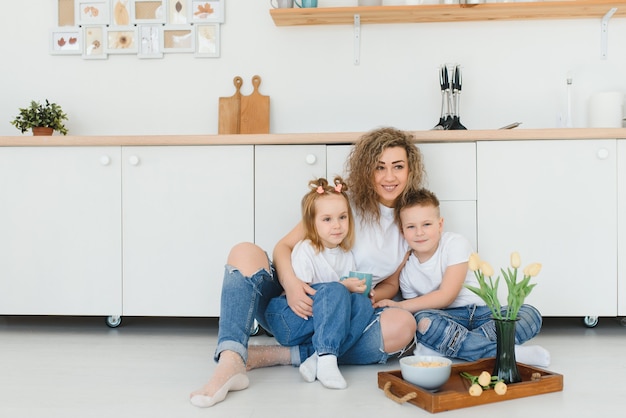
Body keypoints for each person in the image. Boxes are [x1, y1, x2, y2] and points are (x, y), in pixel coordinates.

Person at [190, 127, 425, 408]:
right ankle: (231, 360)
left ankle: (285, 355)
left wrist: (373, 297)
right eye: (380, 167)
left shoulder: (410, 223)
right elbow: (283, 247)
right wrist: (290, 285)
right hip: (297, 304)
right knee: (244, 251)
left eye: (398, 167)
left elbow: (392, 283)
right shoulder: (340, 203)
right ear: (366, 170)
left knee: (404, 325)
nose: (389, 177)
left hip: (347, 312)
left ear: (410, 171)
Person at [375, 188, 550, 367]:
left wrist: (399, 305)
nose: (419, 232)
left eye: (427, 224)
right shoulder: (407, 273)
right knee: (423, 322)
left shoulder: (455, 243)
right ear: (402, 231)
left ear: (440, 225)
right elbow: (418, 310)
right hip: (447, 318)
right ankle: (508, 353)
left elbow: (446, 295)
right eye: (411, 226)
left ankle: (452, 346)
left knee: (529, 314)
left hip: (484, 314)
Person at [264, 176, 373, 390]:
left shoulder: (346, 254)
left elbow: (339, 302)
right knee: (335, 290)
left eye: (342, 217)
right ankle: (327, 356)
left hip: (318, 327)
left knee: (363, 304)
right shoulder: (306, 249)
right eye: (327, 219)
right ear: (311, 223)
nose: (337, 226)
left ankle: (318, 357)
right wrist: (343, 287)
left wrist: (358, 291)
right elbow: (308, 298)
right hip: (291, 318)